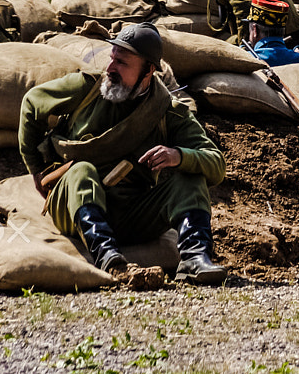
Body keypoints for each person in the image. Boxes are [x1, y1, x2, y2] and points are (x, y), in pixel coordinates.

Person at [18, 22, 228, 284]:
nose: (110, 69)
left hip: (132, 213)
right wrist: (36, 168)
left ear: (149, 70)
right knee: (82, 170)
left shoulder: (167, 113)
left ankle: (195, 259)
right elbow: (31, 104)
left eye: (122, 63)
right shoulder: (87, 89)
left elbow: (216, 164)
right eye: (112, 58)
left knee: (189, 177)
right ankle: (108, 257)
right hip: (74, 203)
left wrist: (179, 156)